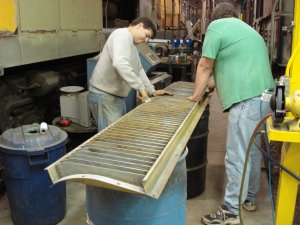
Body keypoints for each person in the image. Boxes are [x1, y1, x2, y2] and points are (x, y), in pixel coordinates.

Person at [187, 3, 275, 225]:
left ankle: (230, 211)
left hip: (246, 100)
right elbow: (238, 65)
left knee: (236, 156)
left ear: (215, 19)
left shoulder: (217, 27)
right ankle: (249, 198)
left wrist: (195, 95)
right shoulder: (248, 31)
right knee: (252, 151)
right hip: (265, 99)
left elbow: (205, 65)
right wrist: (213, 84)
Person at [88, 16, 172, 131]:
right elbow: (120, 63)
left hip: (115, 97)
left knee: (118, 134)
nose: (146, 40)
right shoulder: (121, 35)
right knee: (112, 138)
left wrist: (151, 91)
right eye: (147, 35)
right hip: (105, 96)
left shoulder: (133, 45)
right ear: (140, 26)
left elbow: (139, 69)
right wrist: (140, 87)